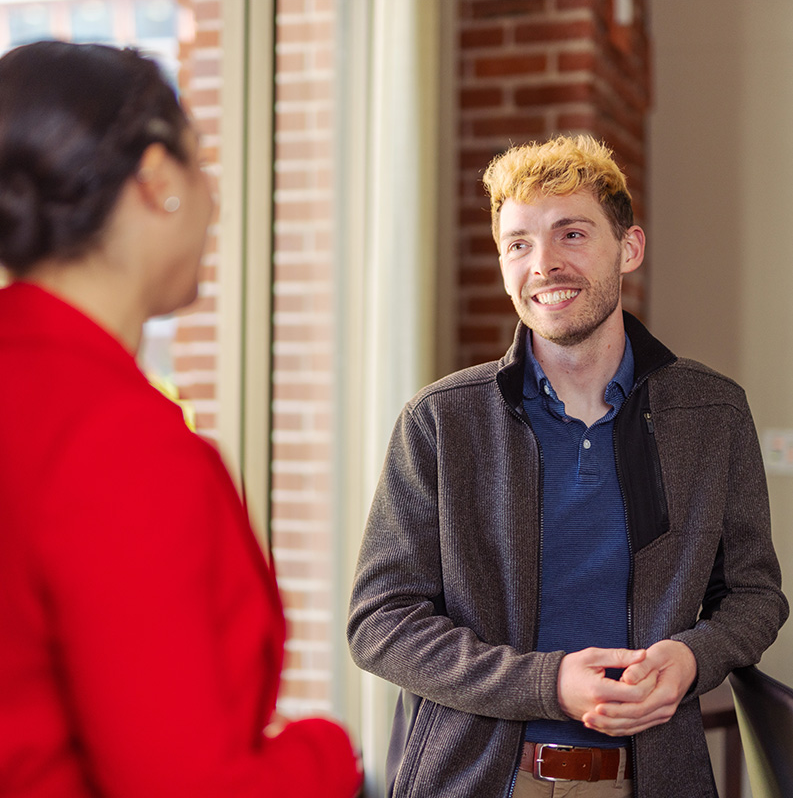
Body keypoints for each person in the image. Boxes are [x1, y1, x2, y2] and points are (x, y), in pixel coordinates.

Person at [347, 134, 788, 798]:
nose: (543, 264)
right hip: (478, 783)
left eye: (571, 234)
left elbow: (753, 597)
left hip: (651, 781)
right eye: (517, 244)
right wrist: (546, 683)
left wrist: (692, 657)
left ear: (628, 248)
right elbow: (378, 622)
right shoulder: (440, 420)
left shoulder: (712, 412)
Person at [0, 41, 361, 798]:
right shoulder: (120, 444)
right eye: (201, 167)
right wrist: (328, 757)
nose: (213, 200)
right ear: (158, 178)